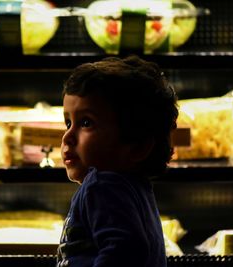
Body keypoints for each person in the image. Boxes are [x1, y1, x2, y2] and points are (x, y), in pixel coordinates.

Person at [57, 55, 178, 267]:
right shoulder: (133, 186)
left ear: (137, 146)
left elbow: (124, 250)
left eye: (86, 123)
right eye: (68, 123)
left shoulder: (102, 185)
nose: (68, 136)